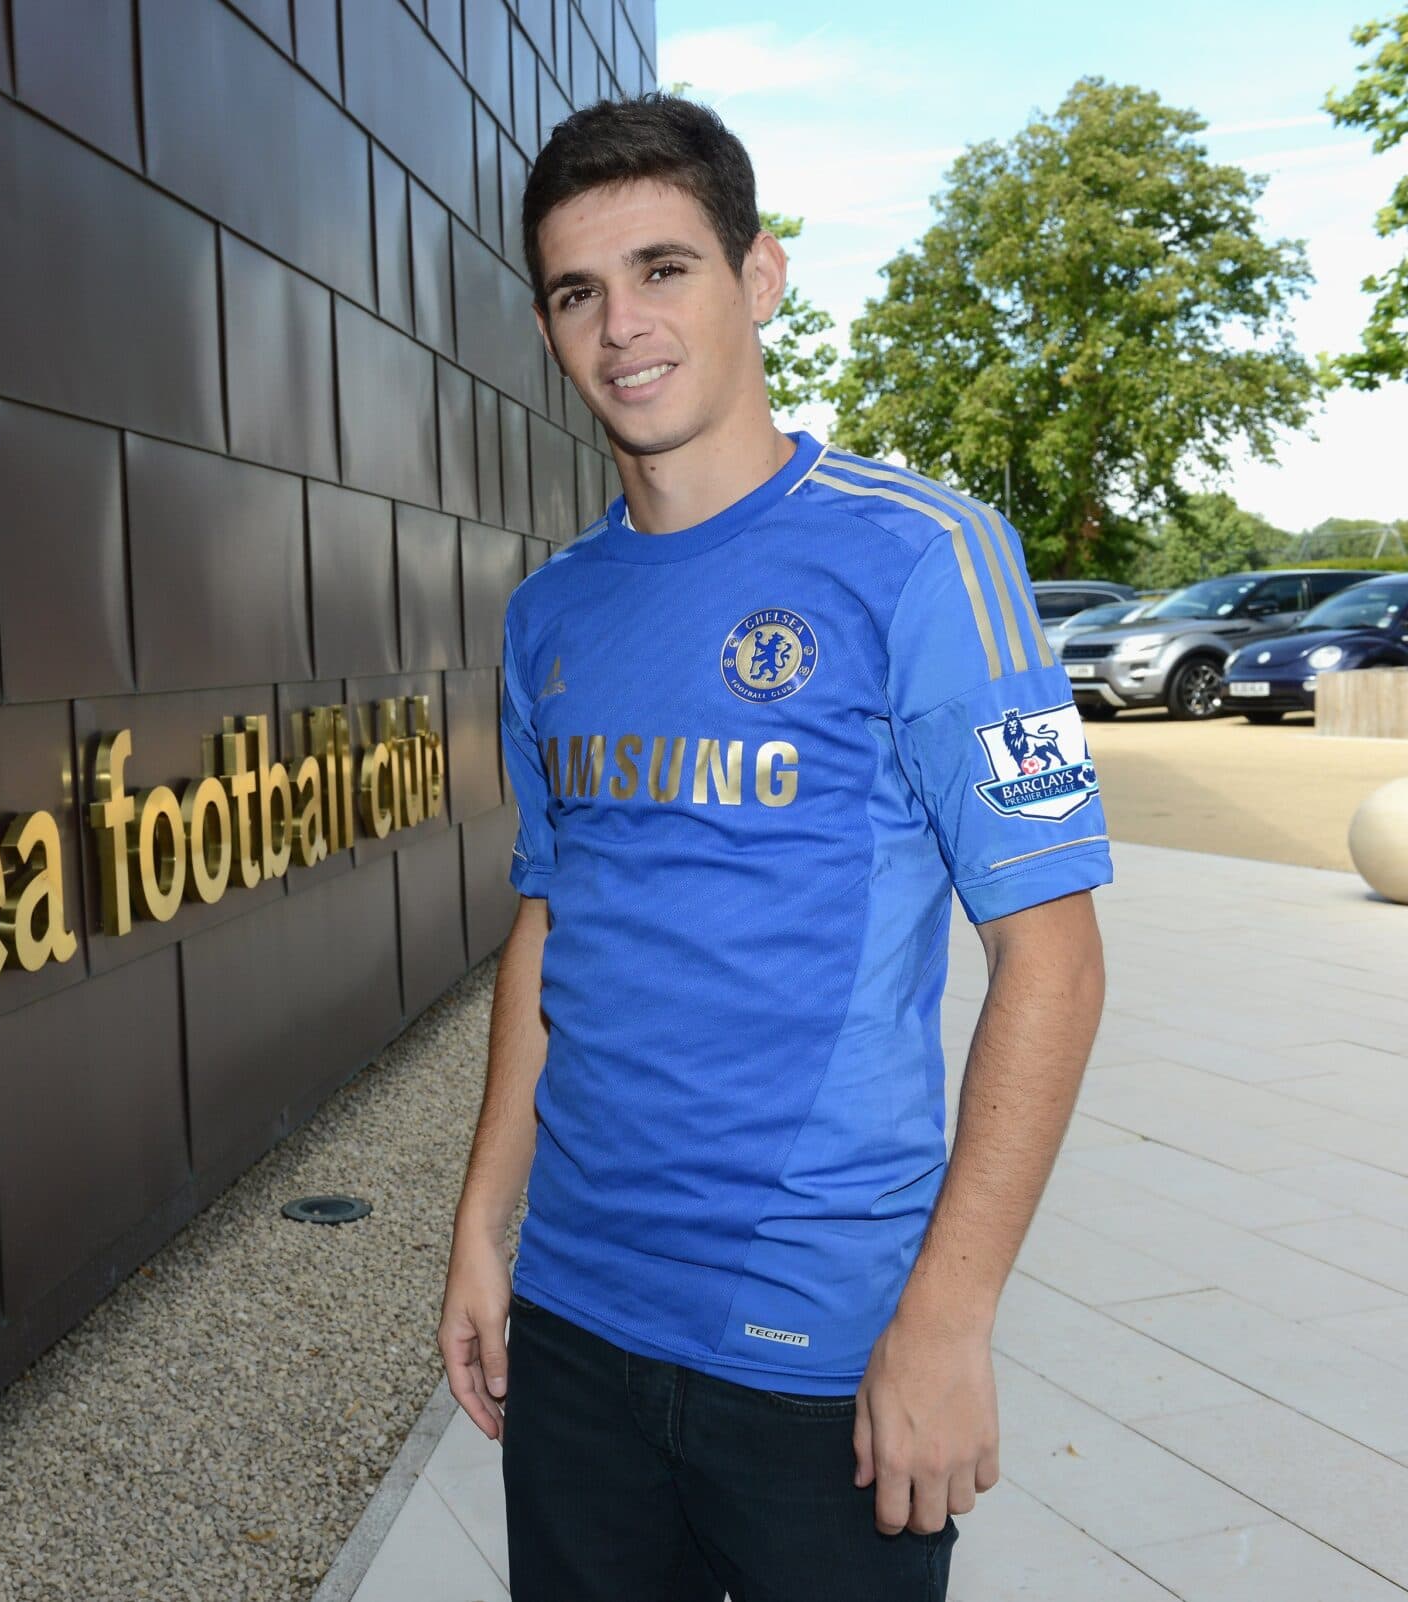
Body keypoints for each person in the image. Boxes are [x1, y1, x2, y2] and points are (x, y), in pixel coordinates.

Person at [436, 93, 1111, 1601]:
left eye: (664, 269)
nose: (624, 325)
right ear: (547, 325)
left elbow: (1053, 962)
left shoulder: (922, 554)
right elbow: (550, 921)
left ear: (761, 277)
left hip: (822, 1348)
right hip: (577, 1321)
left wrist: (948, 1315)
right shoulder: (550, 614)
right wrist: (484, 1225)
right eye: (577, 290)